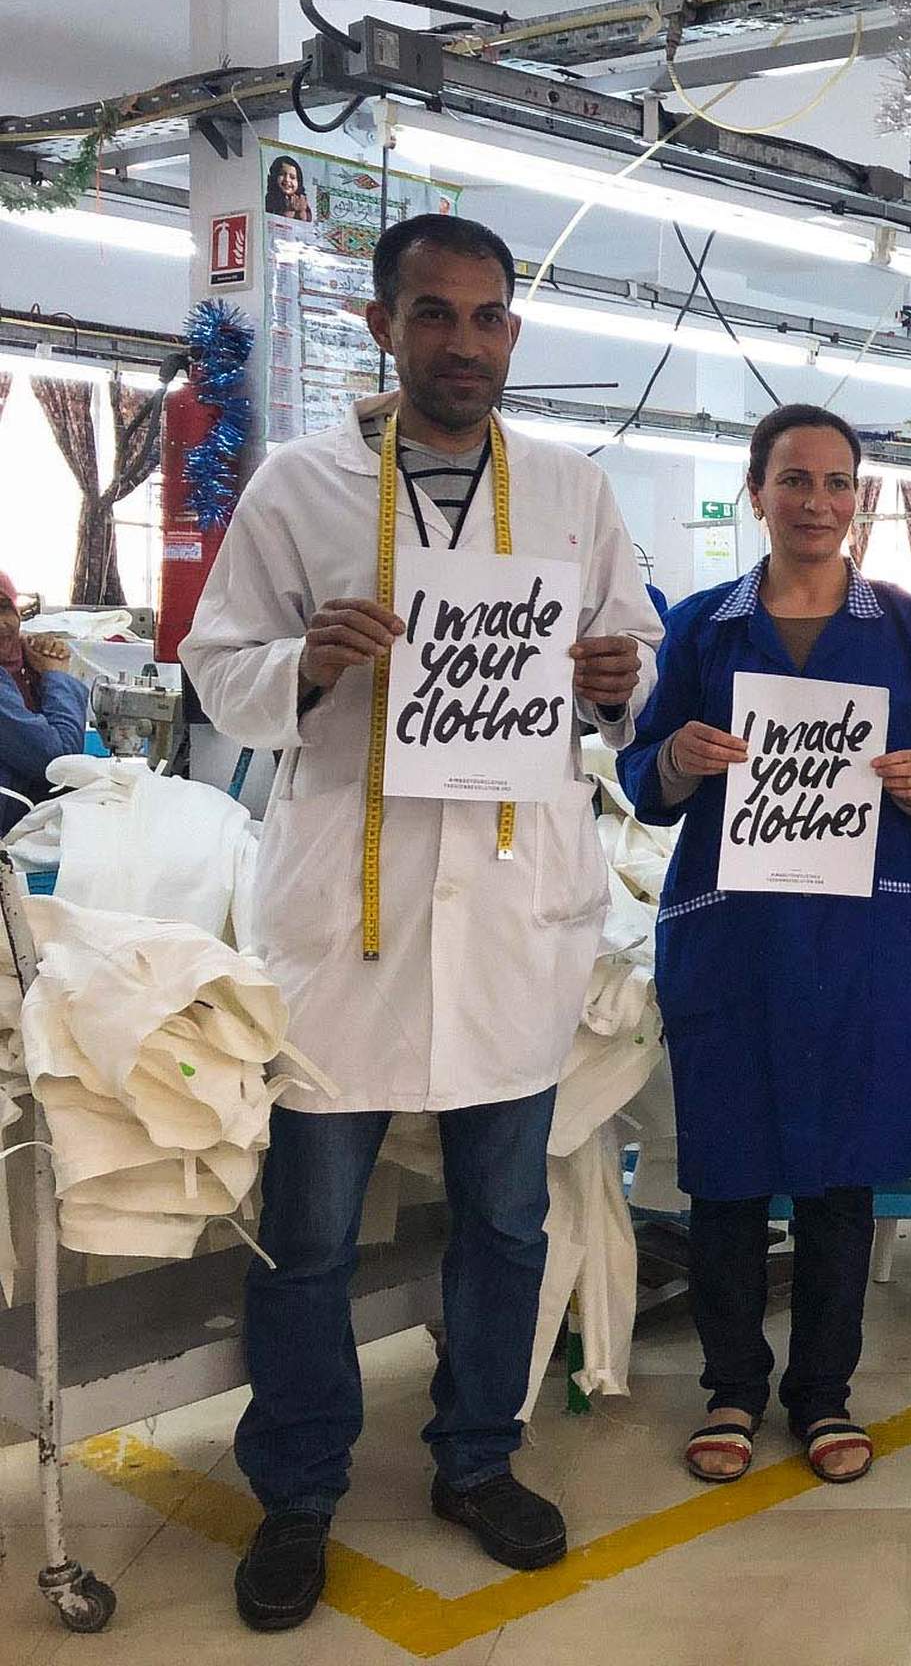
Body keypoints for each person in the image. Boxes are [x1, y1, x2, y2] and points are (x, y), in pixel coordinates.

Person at [184, 212, 662, 1632]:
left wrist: (611, 677)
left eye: (490, 316)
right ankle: (299, 1492)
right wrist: (308, 663)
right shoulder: (299, 487)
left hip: (514, 917)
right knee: (312, 1234)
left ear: (514, 331)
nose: (465, 341)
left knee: (505, 1225)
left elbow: (629, 666)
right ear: (386, 327)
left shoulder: (574, 492)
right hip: (352, 925)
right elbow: (220, 668)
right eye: (436, 315)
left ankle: (475, 1459)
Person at [619, 403, 911, 1484]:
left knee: (839, 1173)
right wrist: (679, 755)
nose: (817, 502)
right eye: (794, 481)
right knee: (725, 1170)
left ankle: (824, 1392)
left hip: (858, 933)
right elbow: (645, 782)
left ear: (857, 496)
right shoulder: (701, 625)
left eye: (836, 482)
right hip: (731, 934)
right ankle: (732, 1386)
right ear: (756, 491)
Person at [0, 569, 90, 814]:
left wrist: (38, 672)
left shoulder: (23, 669)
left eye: (4, 607)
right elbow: (60, 762)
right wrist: (56, 675)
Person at [264, 154, 314, 224]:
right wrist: (289, 210)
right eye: (282, 174)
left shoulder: (301, 200)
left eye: (292, 177)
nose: (287, 179)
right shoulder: (271, 199)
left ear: (299, 182)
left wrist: (301, 211)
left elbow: (307, 222)